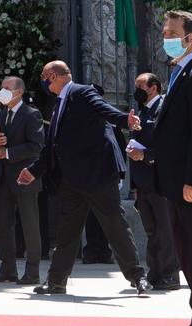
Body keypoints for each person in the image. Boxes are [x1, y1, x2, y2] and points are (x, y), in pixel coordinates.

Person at [129, 11, 192, 326]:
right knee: (189, 251)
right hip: (178, 183)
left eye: (171, 32)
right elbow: (174, 131)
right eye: (164, 32)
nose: (165, 38)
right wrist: (140, 134)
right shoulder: (181, 73)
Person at [21, 59, 147, 297]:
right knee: (67, 231)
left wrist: (125, 119)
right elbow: (53, 146)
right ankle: (56, 281)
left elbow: (103, 109)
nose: (44, 84)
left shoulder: (82, 92)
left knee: (115, 227)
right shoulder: (57, 104)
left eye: (45, 78)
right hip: (71, 180)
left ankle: (138, 277)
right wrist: (33, 171)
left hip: (97, 176)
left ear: (56, 76)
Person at [0, 74, 44, 286]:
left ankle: (32, 271)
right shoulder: (2, 115)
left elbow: (36, 146)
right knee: (4, 223)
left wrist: (8, 153)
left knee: (29, 224)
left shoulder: (31, 114)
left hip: (24, 176)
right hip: (3, 178)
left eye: (6, 88)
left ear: (18, 92)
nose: (3, 91)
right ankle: (7, 268)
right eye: (1, 87)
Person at [125, 72, 177, 287]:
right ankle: (155, 271)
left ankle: (170, 274)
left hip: (160, 179)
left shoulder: (164, 108)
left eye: (140, 86)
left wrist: (146, 155)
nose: (136, 90)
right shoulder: (143, 111)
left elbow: (170, 144)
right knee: (151, 229)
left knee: (165, 229)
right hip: (144, 180)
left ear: (153, 88)